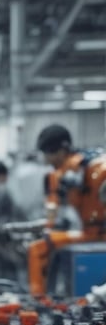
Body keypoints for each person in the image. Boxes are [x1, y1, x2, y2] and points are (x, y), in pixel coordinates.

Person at [27, 124, 106, 296]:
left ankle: (39, 301)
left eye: (48, 155)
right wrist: (47, 224)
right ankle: (44, 299)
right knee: (41, 244)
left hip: (98, 233)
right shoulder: (59, 175)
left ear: (61, 151)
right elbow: (52, 211)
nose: (47, 161)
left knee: (38, 249)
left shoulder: (94, 169)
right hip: (90, 232)